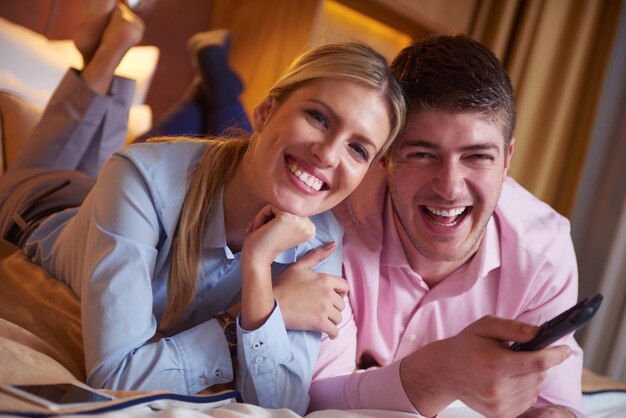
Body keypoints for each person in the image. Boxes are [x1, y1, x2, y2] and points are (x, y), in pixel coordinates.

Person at [0, 3, 406, 415]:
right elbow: (115, 380)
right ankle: (100, 62)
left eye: (358, 148)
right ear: (264, 112)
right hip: (40, 208)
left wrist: (258, 274)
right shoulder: (141, 178)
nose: (327, 154)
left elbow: (281, 407)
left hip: (119, 199)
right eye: (318, 117)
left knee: (108, 165)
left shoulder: (320, 239)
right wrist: (255, 318)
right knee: (25, 133)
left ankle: (156, 76)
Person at [306, 35, 583, 418]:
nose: (450, 188)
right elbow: (311, 397)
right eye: (422, 154)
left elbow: (557, 402)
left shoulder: (544, 250)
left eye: (477, 156)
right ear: (386, 157)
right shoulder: (333, 216)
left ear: (507, 158)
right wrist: (436, 375)